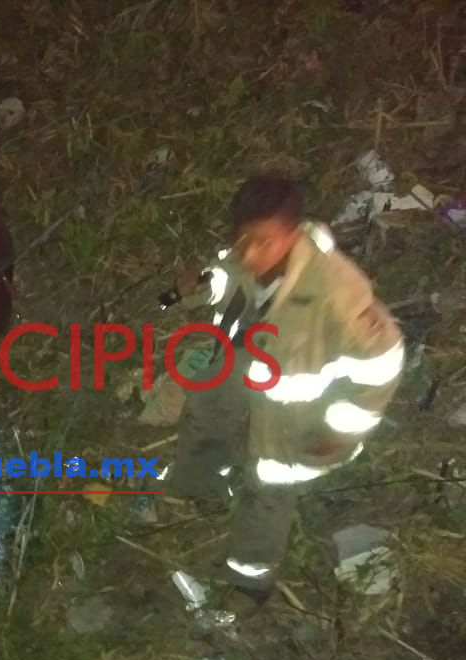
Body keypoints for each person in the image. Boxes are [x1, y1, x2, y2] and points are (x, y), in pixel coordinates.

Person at [163, 171, 405, 607]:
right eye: (244, 241)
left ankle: (249, 581)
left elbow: (383, 361)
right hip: (246, 365)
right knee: (206, 412)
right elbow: (225, 278)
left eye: (264, 242)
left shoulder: (336, 292)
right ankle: (198, 488)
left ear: (293, 233)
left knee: (268, 492)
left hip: (295, 416)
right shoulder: (242, 255)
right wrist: (192, 290)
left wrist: (343, 431)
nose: (252, 254)